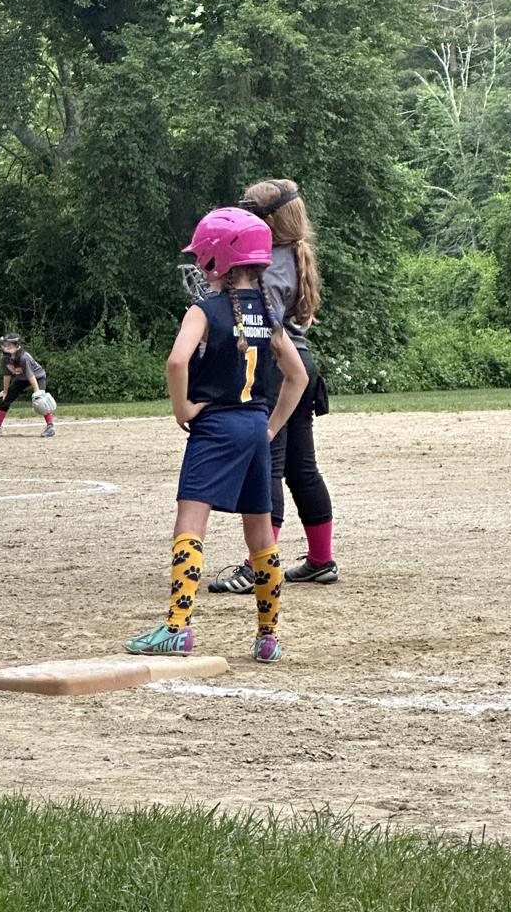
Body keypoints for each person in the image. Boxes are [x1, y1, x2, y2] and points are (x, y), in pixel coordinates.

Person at [124, 207, 308, 663]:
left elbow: (176, 361)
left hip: (215, 427)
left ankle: (177, 627)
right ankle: (268, 637)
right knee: (260, 533)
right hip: (253, 426)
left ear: (218, 260)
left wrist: (182, 408)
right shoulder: (269, 313)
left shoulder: (204, 310)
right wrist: (270, 427)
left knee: (191, 521)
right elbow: (298, 376)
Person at [208, 178, 337, 594]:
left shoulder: (270, 263)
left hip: (279, 370)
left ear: (267, 221)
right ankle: (320, 560)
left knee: (269, 467)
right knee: (302, 469)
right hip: (301, 365)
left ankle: (258, 567)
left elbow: (265, 329)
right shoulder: (292, 253)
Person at [0, 333, 56, 438]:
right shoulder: (5, 358)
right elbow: (7, 375)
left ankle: (50, 427)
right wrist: (5, 391)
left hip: (37, 377)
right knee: (5, 399)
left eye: (9, 345)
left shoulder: (23, 358)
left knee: (41, 401)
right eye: (5, 345)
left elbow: (31, 376)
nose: (5, 347)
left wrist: (37, 393)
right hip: (22, 378)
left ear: (17, 346)